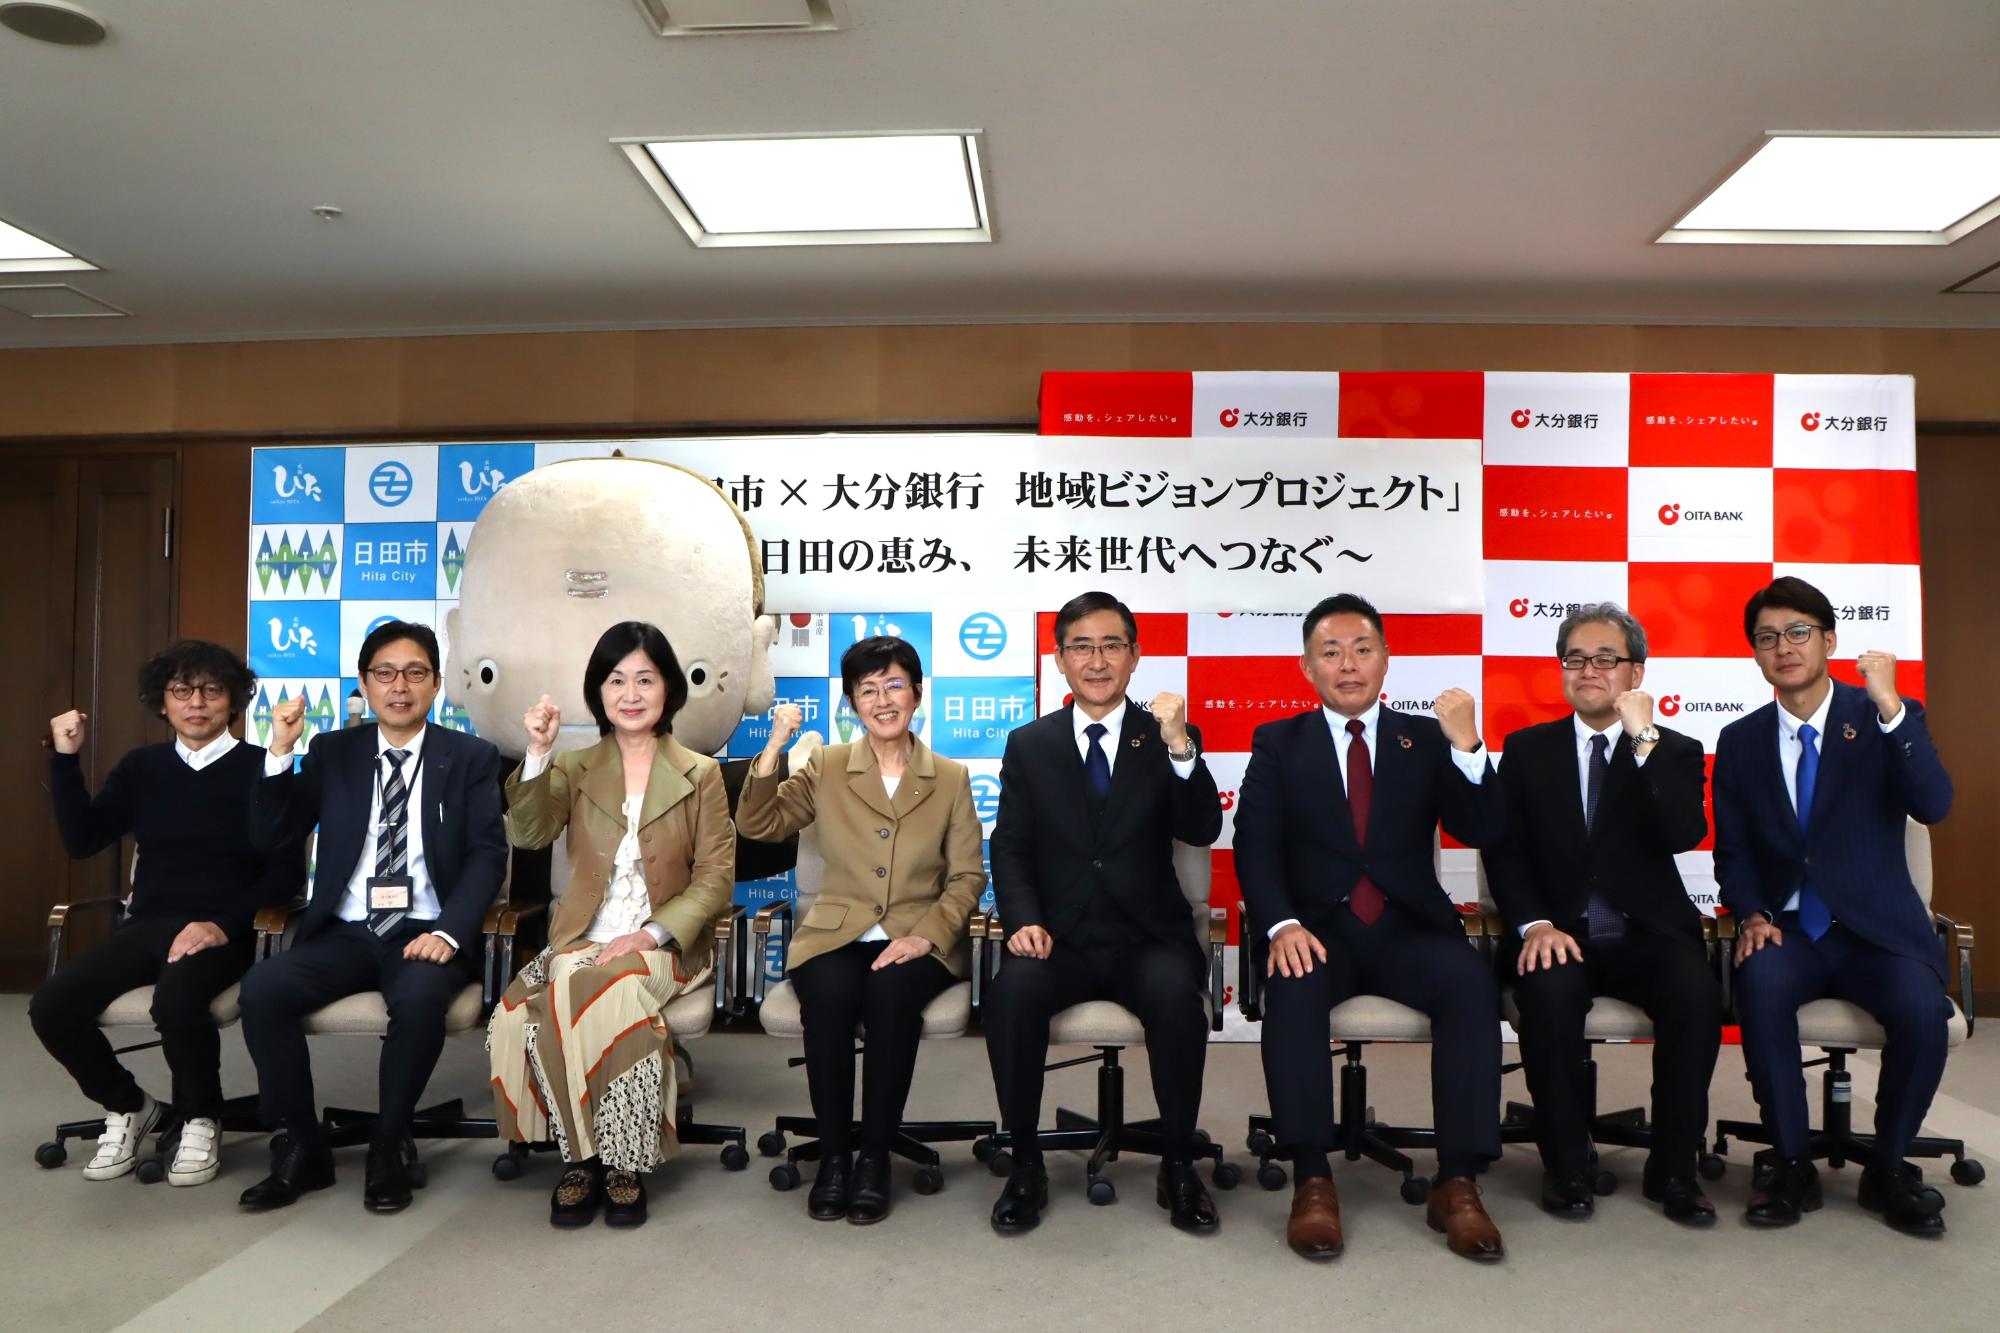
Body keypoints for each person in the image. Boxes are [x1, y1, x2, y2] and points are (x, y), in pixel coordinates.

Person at [1233, 592, 1507, 1262]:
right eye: (1331, 651)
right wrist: (1282, 925)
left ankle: (1459, 1181)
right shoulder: (1278, 741)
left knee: (1470, 983)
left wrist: (1469, 746)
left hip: (1407, 930)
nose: (1348, 664)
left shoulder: (1425, 740)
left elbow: (1484, 827)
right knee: (1292, 990)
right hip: (1319, 931)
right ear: (1306, 666)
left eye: (1362, 649)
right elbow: (1253, 845)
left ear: (1386, 660)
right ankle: (1313, 1178)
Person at [238, 619, 508, 1214]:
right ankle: (302, 1144)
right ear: (365, 683)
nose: (400, 686)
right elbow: (272, 834)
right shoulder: (335, 752)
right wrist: (279, 751)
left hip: (426, 930)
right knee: (262, 988)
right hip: (346, 930)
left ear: (437, 684)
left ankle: (391, 1139)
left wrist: (449, 931)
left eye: (415, 673)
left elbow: (489, 855)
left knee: (417, 1001)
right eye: (385, 673)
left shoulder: (470, 757)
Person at [1714, 576, 1955, 1236]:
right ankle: (1790, 1162)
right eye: (1767, 637)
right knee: (1759, 985)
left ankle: (1888, 1163)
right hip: (1790, 927)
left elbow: (1933, 804)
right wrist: (1753, 912)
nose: (1783, 647)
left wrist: (1890, 705)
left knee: (1919, 1009)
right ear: (1756, 654)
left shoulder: (1883, 717)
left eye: (1798, 632)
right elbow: (1731, 853)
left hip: (1876, 929)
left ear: (1829, 640)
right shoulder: (1739, 740)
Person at [982, 591, 1225, 1237]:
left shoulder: (1166, 736)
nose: (1097, 659)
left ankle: (1179, 1161)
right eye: (1082, 646)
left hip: (1146, 936)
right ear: (1059, 659)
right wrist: (1023, 918)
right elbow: (1008, 845)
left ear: (1135, 656)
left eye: (1111, 644)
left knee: (1178, 998)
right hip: (1058, 937)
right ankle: (1025, 1162)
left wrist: (1179, 746)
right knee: (1013, 994)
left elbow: (1202, 826)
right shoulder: (1029, 744)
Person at [487, 621, 735, 1229]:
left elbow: (715, 878)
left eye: (645, 679)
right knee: (518, 1008)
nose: (631, 692)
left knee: (582, 985)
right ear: (598, 692)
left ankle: (619, 1162)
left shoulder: (700, 773)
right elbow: (530, 833)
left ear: (669, 689)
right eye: (616, 679)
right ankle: (585, 1155)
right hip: (581, 938)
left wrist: (649, 934)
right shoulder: (573, 766)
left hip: (667, 944)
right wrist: (538, 754)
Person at [30, 641, 303, 1187]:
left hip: (229, 929)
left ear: (233, 700)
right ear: (163, 702)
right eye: (182, 690)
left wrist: (220, 925)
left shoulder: (263, 766)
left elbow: (285, 875)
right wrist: (64, 759)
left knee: (177, 1000)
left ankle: (202, 1115)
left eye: (211, 689)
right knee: (51, 1005)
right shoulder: (141, 767)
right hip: (151, 924)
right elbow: (83, 839)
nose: (196, 702)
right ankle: (131, 1106)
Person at [1482, 603, 1719, 1225]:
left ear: (1635, 673)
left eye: (1606, 659)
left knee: (1694, 994)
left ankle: (1675, 1169)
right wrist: (1533, 923)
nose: (1589, 670)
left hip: (1648, 934)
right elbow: (1504, 853)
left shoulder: (1675, 749)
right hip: (1560, 933)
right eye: (1576, 658)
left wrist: (1644, 742)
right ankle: (1565, 1167)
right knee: (1550, 996)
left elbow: (1682, 832)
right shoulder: (1529, 750)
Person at [736, 635, 984, 1224]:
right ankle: (835, 1158)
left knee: (892, 996)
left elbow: (968, 876)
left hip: (917, 933)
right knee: (830, 997)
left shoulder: (949, 777)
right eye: (867, 690)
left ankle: (874, 1157)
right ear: (852, 703)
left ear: (918, 694)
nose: (882, 699)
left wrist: (925, 936)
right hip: (836, 931)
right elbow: (759, 822)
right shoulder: (825, 767)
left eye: (894, 685)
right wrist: (774, 747)